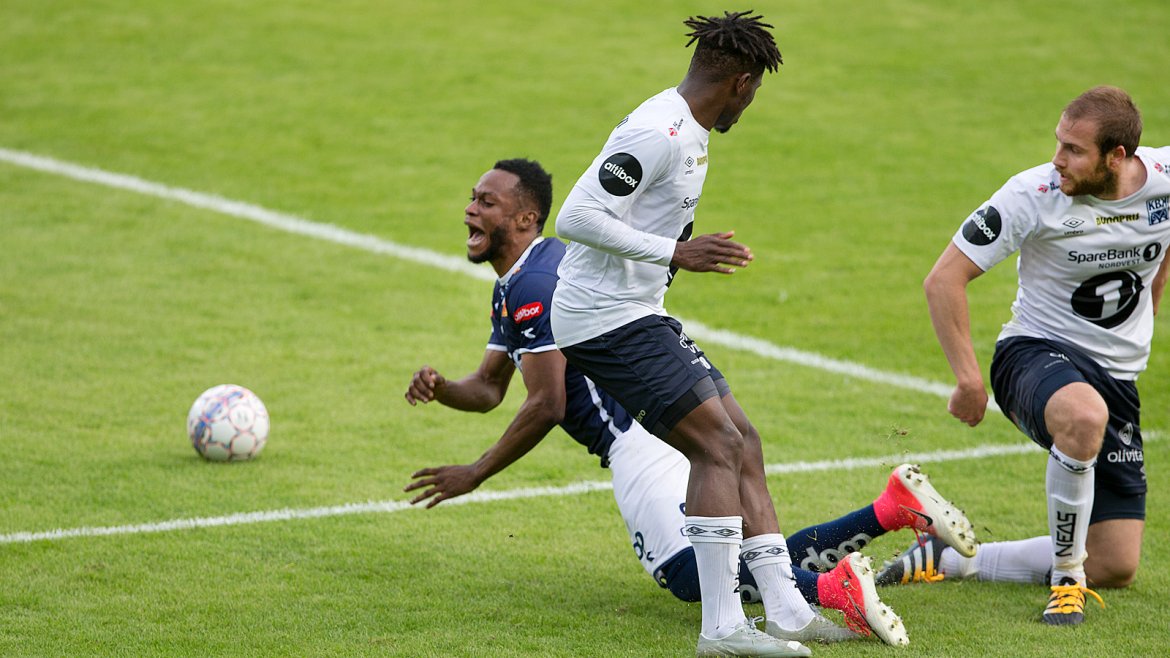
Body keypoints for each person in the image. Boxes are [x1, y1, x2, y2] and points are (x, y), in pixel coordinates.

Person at [405, 158, 977, 651]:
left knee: (687, 572)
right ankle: (891, 511)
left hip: (637, 434)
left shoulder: (535, 286)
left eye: (486, 202)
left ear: (525, 218)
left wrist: (476, 473)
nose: (470, 211)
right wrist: (443, 388)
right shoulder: (522, 281)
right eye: (471, 200)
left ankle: (835, 585)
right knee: (730, 534)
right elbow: (488, 387)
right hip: (654, 418)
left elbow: (549, 402)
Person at [547, 11, 920, 656]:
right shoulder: (659, 131)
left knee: (742, 439)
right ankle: (722, 628)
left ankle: (784, 607)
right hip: (603, 318)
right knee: (716, 444)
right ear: (741, 84)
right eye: (754, 94)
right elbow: (576, 216)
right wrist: (675, 253)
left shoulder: (688, 127)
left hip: (636, 312)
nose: (749, 106)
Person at [917, 85, 1170, 626]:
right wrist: (967, 380)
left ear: (1117, 158)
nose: (1058, 160)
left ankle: (952, 559)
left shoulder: (1165, 183)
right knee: (1083, 416)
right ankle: (1064, 581)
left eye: (1074, 150)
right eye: (1058, 142)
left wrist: (1149, 307)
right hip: (1032, 354)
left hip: (1117, 377)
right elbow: (944, 280)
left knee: (1115, 563)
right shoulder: (1031, 194)